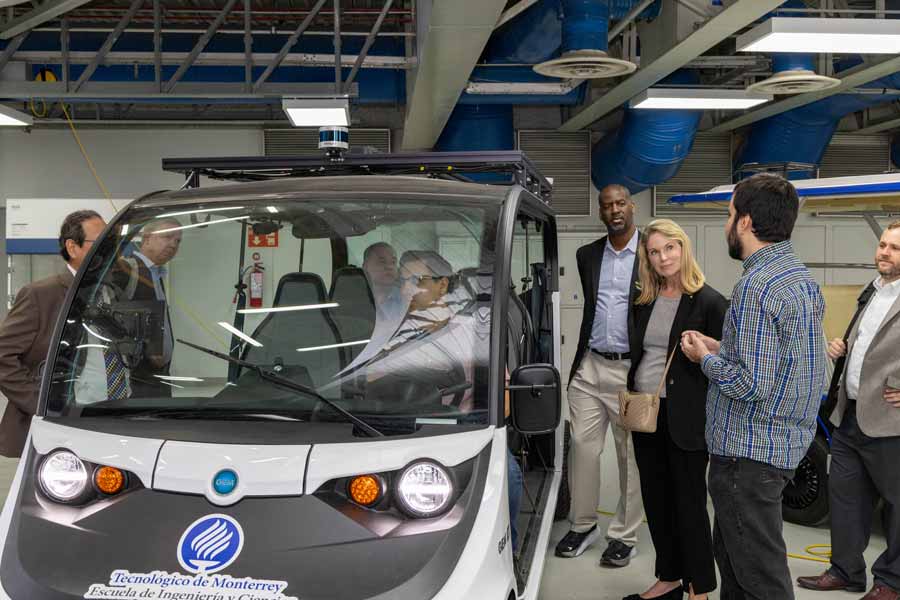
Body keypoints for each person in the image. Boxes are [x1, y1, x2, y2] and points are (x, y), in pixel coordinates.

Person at [681, 173, 826, 600]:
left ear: (745, 222)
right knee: (737, 567)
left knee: (760, 578)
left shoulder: (756, 286)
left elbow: (751, 383)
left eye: (729, 215)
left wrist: (702, 358)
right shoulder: (797, 278)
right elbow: (781, 362)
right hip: (776, 449)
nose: (728, 224)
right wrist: (721, 346)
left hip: (747, 457)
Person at [797, 220, 900, 600]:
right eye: (883, 244)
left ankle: (892, 581)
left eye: (894, 248)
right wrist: (843, 346)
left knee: (897, 505)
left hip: (890, 422)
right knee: (844, 498)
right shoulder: (871, 291)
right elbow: (869, 342)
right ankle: (845, 570)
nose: (884, 252)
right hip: (848, 414)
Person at [624, 219, 727, 600]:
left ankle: (698, 586)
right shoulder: (643, 300)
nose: (663, 256)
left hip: (687, 417)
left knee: (689, 504)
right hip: (646, 414)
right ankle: (668, 576)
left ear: (683, 249)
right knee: (656, 498)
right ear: (647, 258)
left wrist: (708, 347)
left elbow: (729, 356)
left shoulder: (710, 301)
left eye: (670, 248)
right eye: (654, 251)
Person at [556, 184, 644, 567]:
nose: (614, 210)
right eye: (607, 205)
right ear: (601, 212)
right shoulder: (587, 255)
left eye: (620, 203)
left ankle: (624, 534)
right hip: (590, 367)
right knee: (583, 452)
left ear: (632, 206)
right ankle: (583, 524)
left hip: (631, 372)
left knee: (631, 459)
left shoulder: (651, 252)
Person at [0, 210, 106, 457]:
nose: (106, 249)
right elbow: (3, 355)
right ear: (73, 247)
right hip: (58, 421)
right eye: (99, 242)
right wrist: (40, 402)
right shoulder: (40, 295)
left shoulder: (108, 291)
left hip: (105, 415)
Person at [112, 217, 182, 397]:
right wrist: (146, 349)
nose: (173, 244)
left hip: (160, 377)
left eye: (178, 241)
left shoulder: (157, 274)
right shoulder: (127, 269)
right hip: (136, 379)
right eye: (167, 237)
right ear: (147, 238)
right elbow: (111, 317)